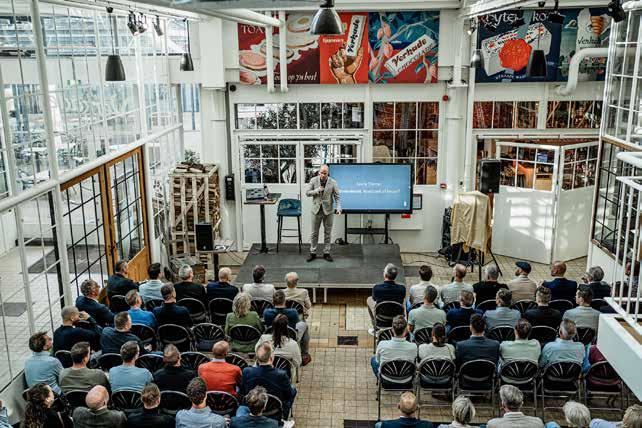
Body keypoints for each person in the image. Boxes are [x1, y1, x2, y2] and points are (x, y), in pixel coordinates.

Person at [240, 342, 297, 419]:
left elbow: (243, 391)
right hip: (274, 411)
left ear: (257, 358)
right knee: (293, 390)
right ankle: (284, 415)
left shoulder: (247, 371)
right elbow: (288, 395)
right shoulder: (281, 374)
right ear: (271, 357)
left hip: (252, 407)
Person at [306, 164, 341, 262]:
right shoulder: (313, 180)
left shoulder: (333, 182)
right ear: (319, 172)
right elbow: (307, 193)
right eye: (321, 173)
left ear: (328, 173)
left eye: (325, 173)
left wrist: (338, 207)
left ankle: (326, 253)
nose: (323, 175)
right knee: (314, 233)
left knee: (328, 233)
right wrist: (317, 190)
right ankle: (313, 252)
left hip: (328, 211)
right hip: (316, 210)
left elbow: (337, 196)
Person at [263, 290, 311, 364]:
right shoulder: (293, 312)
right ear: (284, 301)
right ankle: (304, 354)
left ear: (273, 301)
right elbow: (296, 324)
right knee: (304, 325)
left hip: (272, 334)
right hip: (290, 335)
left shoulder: (266, 312)